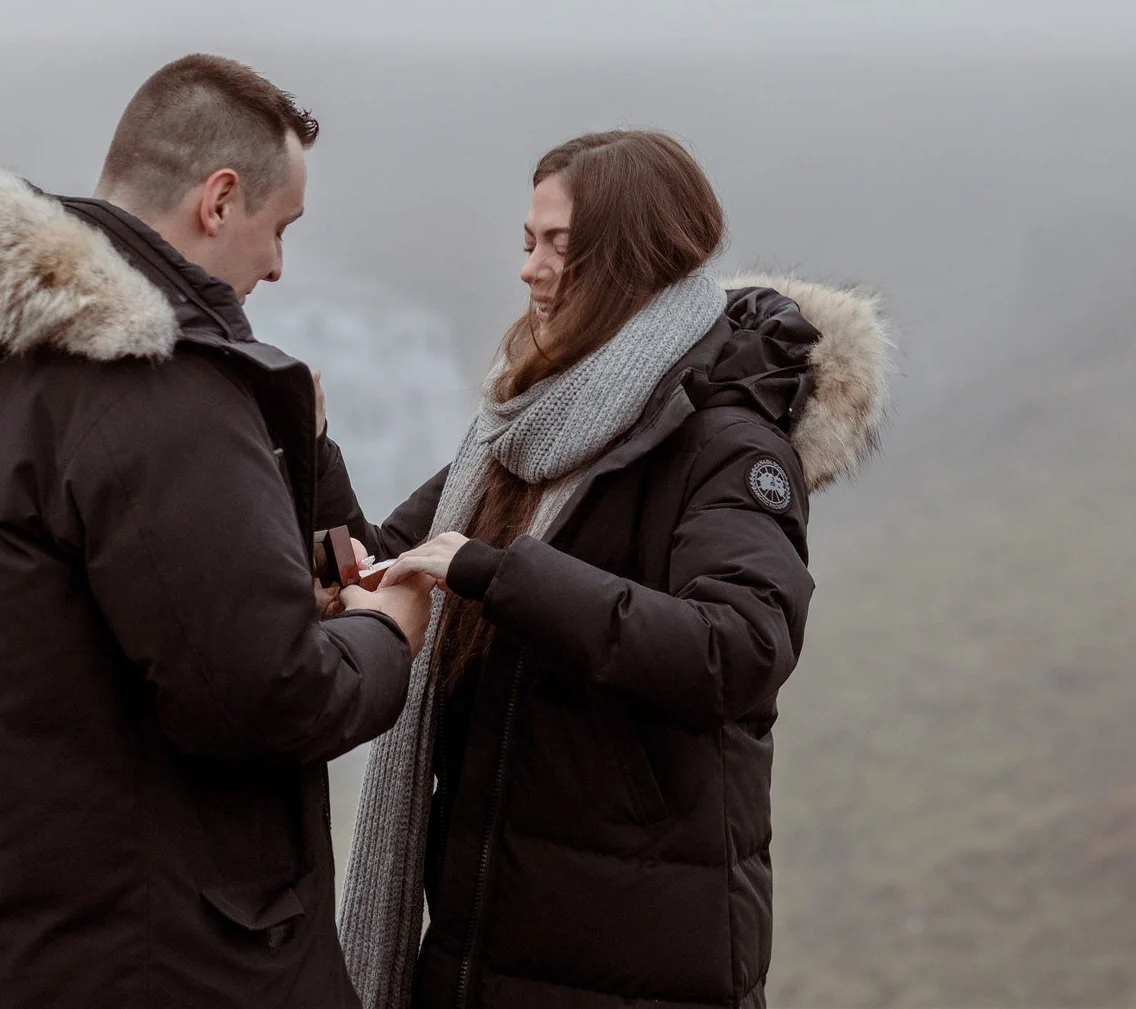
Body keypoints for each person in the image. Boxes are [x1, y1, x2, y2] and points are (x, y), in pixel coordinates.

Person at [0, 55, 430, 1008]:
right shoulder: (156, 386)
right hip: (109, 961)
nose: (278, 265)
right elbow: (262, 698)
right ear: (218, 200)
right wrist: (389, 633)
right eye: (278, 226)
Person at [334, 130, 890, 1009]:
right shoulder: (521, 429)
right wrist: (310, 449)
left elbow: (738, 648)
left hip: (638, 970)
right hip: (484, 949)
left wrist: (502, 575)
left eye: (560, 245)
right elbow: (389, 551)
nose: (530, 268)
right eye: (528, 242)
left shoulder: (729, 442)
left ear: (631, 258)